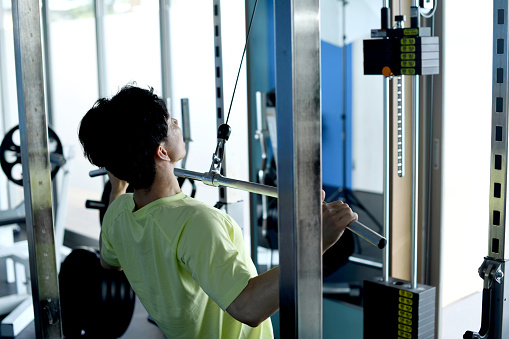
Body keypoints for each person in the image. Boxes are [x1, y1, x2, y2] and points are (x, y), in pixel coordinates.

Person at [78, 84, 358, 338]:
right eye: (170, 121)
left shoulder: (118, 213)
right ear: (162, 152)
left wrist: (118, 187)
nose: (176, 122)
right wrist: (314, 243)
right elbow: (248, 309)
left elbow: (107, 259)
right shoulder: (196, 223)